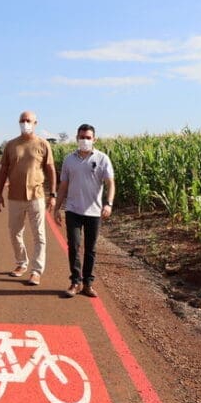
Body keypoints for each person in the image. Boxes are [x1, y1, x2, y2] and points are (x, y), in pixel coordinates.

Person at [0, 111, 56, 286]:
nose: (25, 123)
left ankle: (36, 271)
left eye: (28, 120)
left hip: (36, 196)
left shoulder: (43, 144)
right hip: (14, 196)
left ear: (35, 122)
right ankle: (21, 262)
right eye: (22, 120)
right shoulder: (11, 145)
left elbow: (51, 169)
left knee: (39, 235)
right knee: (14, 233)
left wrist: (53, 194)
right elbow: (3, 170)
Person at [54, 124, 115, 298]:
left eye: (88, 137)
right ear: (76, 138)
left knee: (91, 249)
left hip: (94, 211)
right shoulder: (68, 160)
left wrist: (109, 203)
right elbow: (63, 185)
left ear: (94, 139)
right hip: (73, 209)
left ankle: (88, 283)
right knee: (73, 246)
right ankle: (75, 281)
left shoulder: (102, 159)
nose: (85, 140)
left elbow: (110, 183)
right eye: (82, 137)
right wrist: (57, 208)